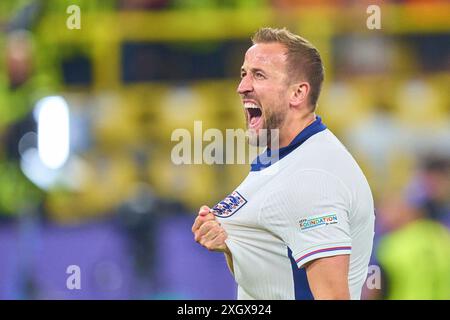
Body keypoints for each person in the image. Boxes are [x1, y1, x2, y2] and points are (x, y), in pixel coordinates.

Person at [191, 27, 375, 300]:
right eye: (244, 73)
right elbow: (277, 274)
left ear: (297, 94)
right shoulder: (281, 155)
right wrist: (232, 246)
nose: (242, 87)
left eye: (259, 75)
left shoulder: (314, 178)